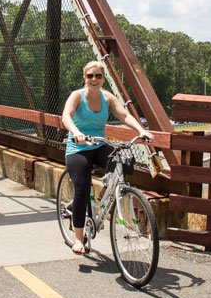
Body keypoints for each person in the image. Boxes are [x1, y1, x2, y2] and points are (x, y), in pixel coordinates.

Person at [61, 60, 152, 255]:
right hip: (78, 148)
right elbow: (66, 115)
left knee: (122, 163)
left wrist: (140, 130)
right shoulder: (77, 96)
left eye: (98, 76)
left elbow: (124, 116)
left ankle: (104, 197)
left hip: (99, 145)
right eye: (90, 76)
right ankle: (78, 239)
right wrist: (76, 131)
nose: (94, 79)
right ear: (84, 77)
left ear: (103, 79)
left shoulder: (107, 97)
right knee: (82, 188)